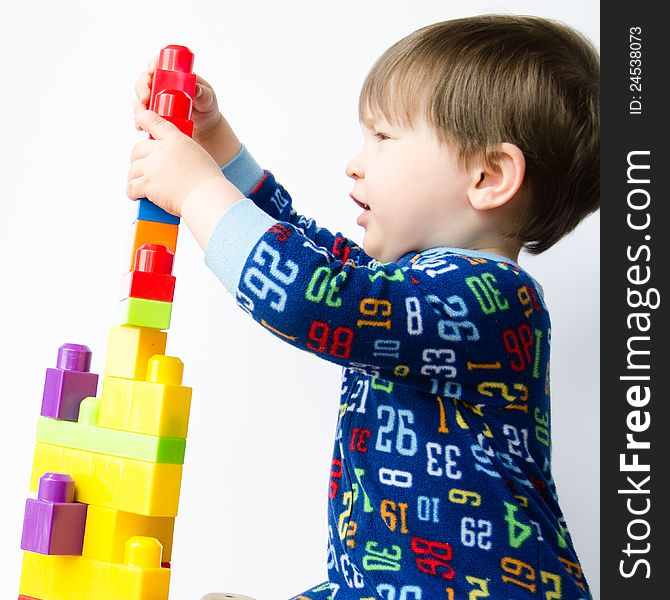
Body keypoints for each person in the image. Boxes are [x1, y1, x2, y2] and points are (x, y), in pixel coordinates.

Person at [127, 14, 599, 599]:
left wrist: (198, 191)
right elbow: (304, 250)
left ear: (488, 174)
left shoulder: (495, 300)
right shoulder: (411, 288)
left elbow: (309, 297)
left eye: (383, 137)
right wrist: (217, 146)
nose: (356, 161)